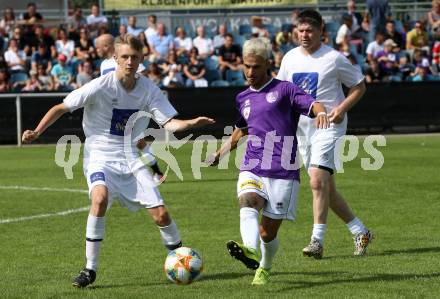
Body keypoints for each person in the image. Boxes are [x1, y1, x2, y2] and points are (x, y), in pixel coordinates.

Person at [21, 34, 214, 288]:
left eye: (134, 57)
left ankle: (180, 258)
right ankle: (90, 269)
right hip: (100, 154)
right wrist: (37, 131)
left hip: (131, 156)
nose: (129, 62)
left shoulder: (149, 89)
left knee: (161, 215)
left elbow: (169, 123)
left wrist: (190, 123)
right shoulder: (100, 85)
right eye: (124, 57)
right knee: (99, 199)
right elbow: (61, 107)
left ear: (142, 59)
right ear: (115, 58)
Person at [206, 37, 328, 285]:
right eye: (247, 66)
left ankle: (265, 266)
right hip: (253, 163)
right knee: (248, 201)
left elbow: (313, 104)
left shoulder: (285, 90)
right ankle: (249, 250)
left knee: (267, 233)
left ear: (267, 64)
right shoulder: (243, 97)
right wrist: (220, 154)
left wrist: (322, 112)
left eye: (256, 67)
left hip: (283, 170)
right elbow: (242, 129)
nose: (250, 72)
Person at [277, 10, 373, 259]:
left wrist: (341, 109)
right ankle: (360, 230)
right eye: (300, 30)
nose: (304, 35)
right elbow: (282, 92)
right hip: (302, 129)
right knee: (325, 189)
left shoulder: (334, 58)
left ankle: (317, 241)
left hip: (328, 125)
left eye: (309, 30)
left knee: (317, 181)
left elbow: (359, 85)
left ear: (321, 31)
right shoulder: (289, 58)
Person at [95, 34, 166, 182]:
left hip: (132, 106)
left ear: (107, 46)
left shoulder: (126, 58)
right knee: (137, 142)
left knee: (128, 142)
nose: (96, 50)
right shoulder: (104, 64)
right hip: (117, 109)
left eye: (99, 46)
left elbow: (141, 77)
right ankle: (156, 173)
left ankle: (130, 175)